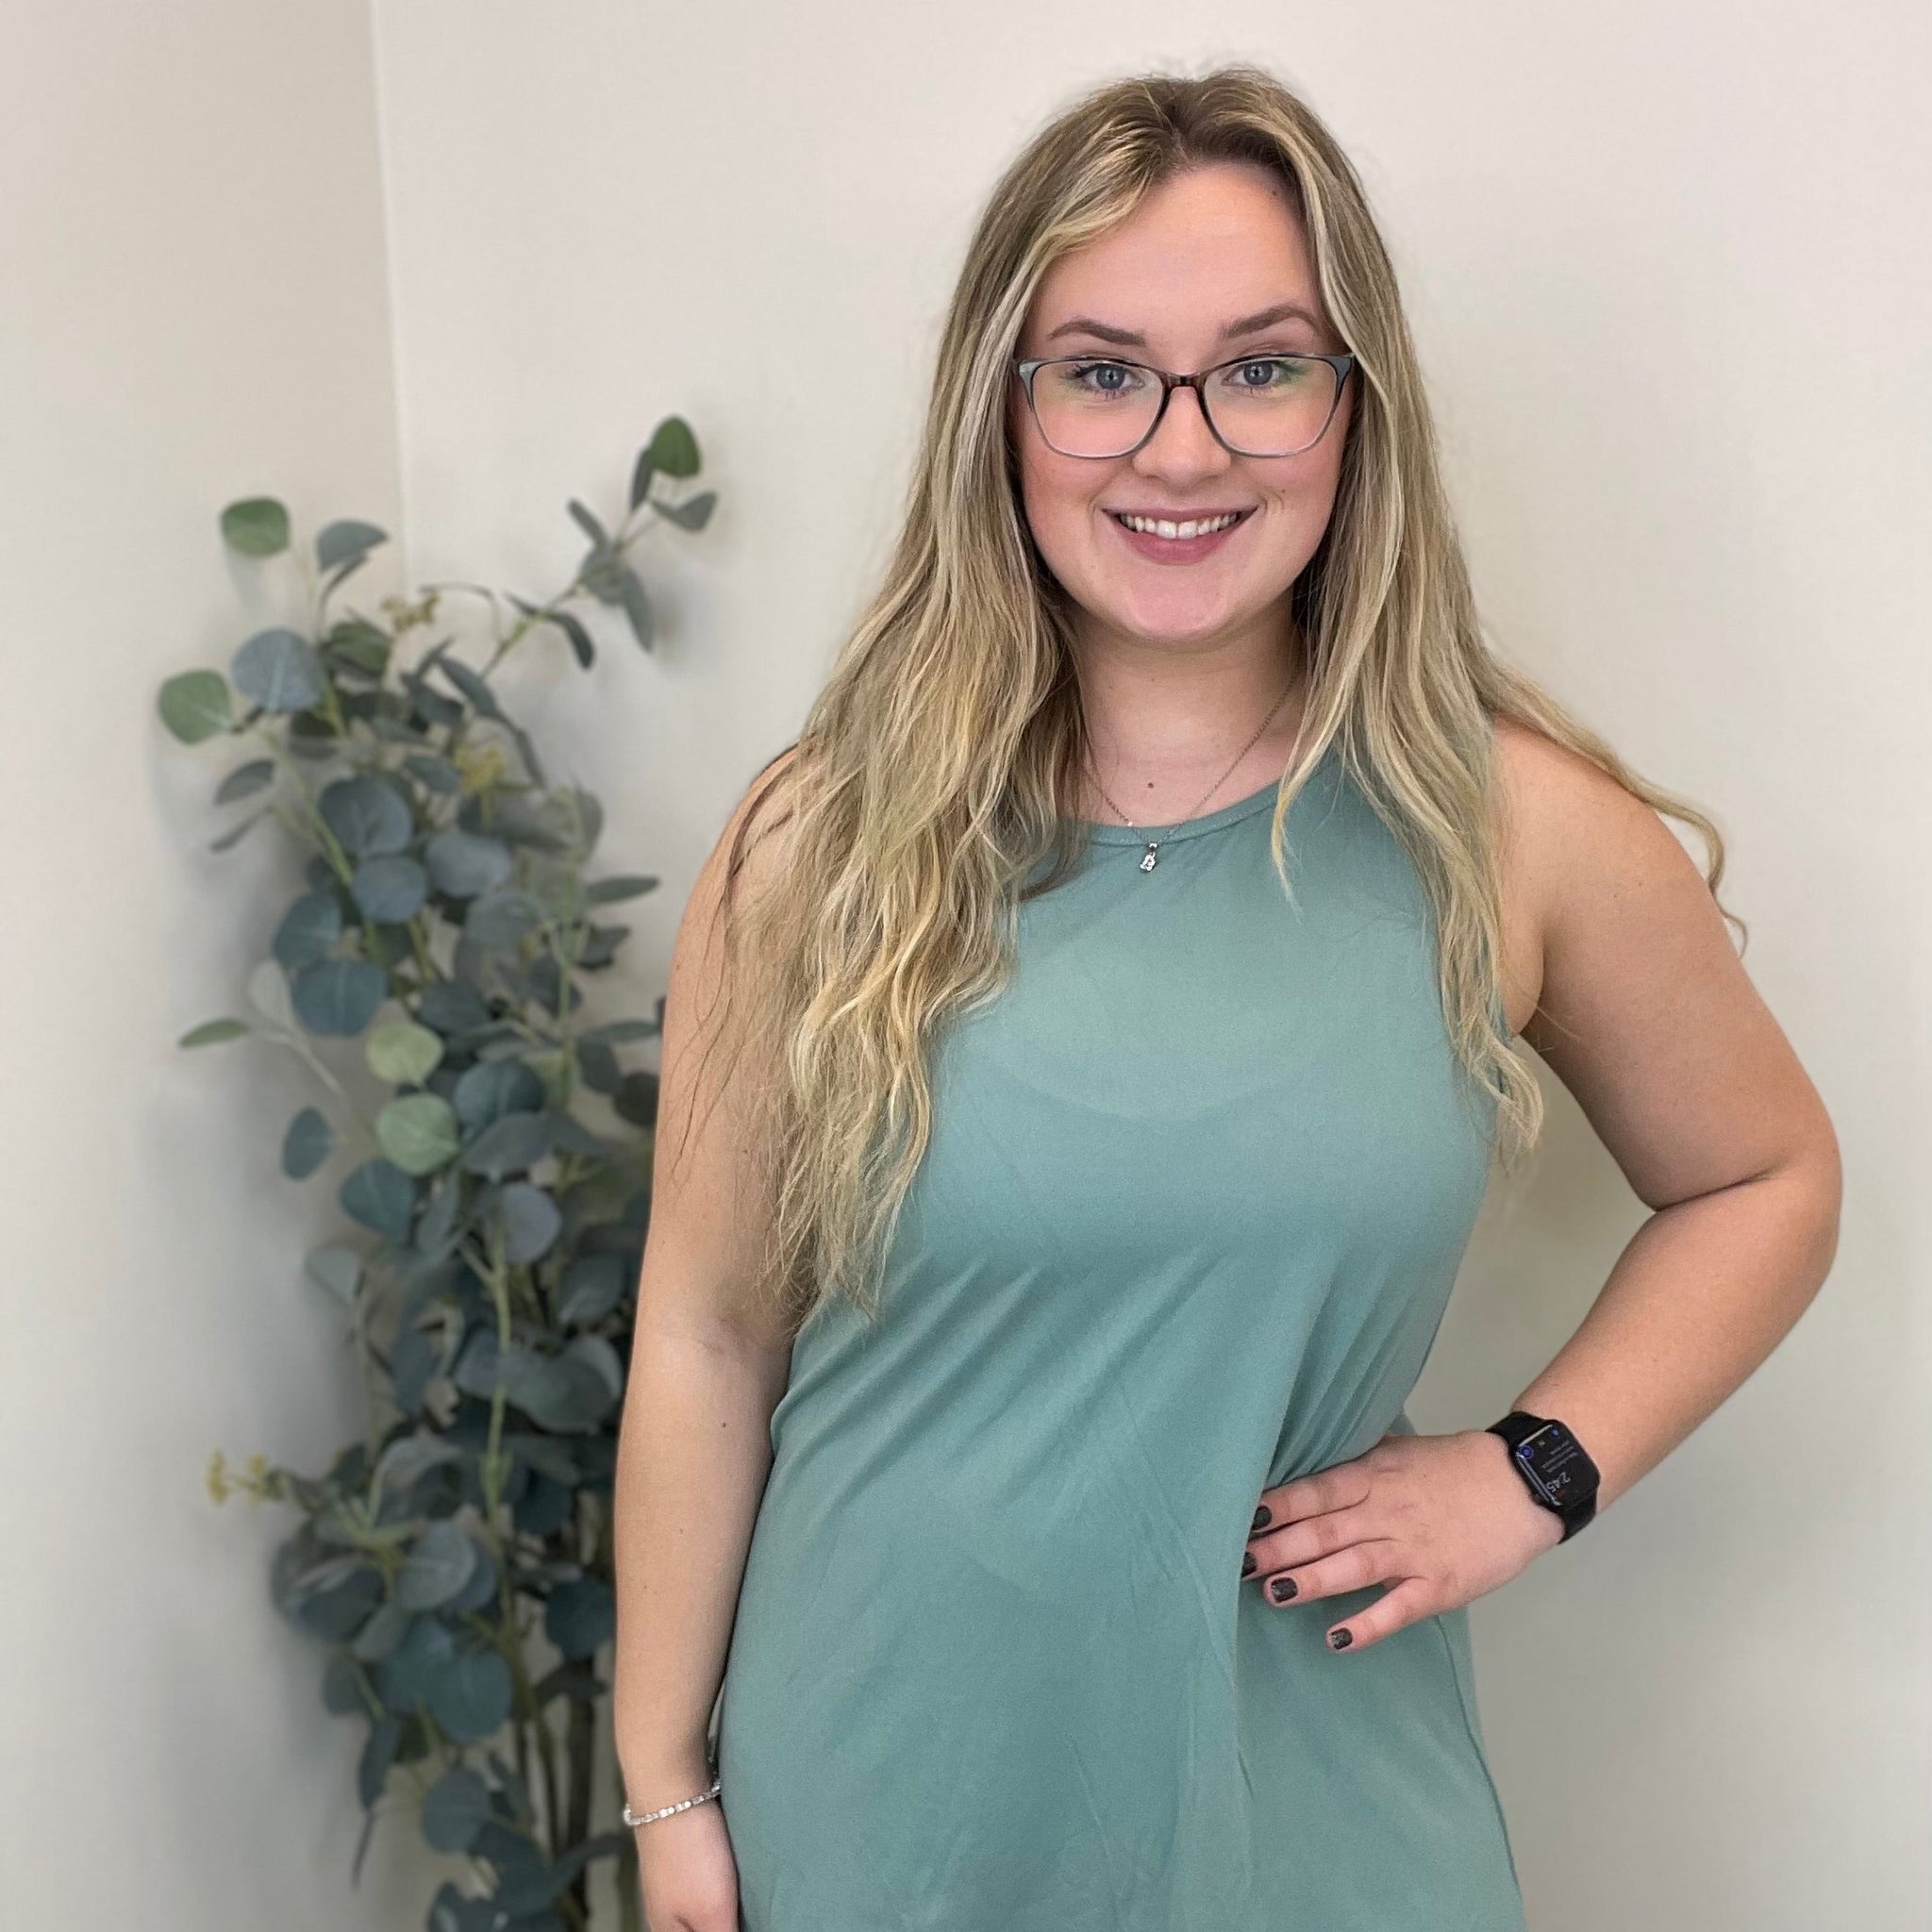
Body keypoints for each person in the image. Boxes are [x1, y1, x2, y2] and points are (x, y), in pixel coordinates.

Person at [608, 63, 1841, 1932]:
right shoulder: (823, 844)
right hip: (878, 1801)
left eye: (1260, 366)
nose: (1179, 449)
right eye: (1101, 370)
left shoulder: (1511, 832)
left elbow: (1766, 1178)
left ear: (1353, 411)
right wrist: (664, 1789)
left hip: (1318, 1814)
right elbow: (703, 1337)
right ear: (1000, 412)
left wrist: (1531, 1471)